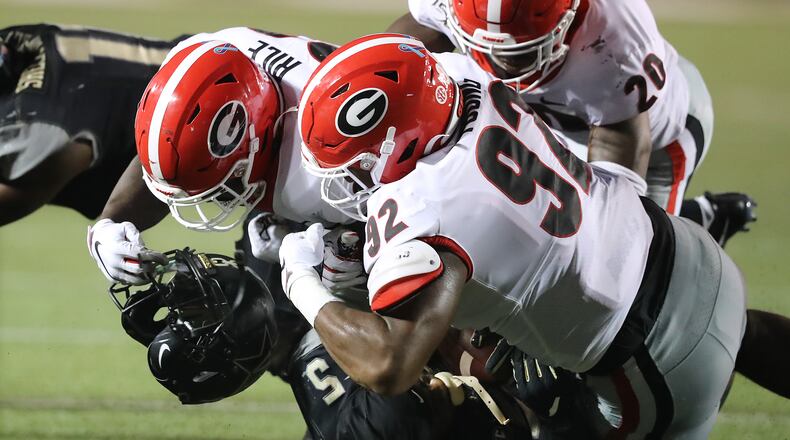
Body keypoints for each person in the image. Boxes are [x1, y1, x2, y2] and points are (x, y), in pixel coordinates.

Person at [281, 34, 747, 438]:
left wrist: (301, 281)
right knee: (751, 334)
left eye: (355, 166)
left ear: (396, 143)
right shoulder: (466, 77)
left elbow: (390, 364)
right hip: (685, 247)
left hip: (655, 356)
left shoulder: (421, 208)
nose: (350, 181)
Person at [387, 0, 756, 247]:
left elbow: (616, 191)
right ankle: (698, 216)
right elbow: (412, 40)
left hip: (655, 138)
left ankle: (693, 226)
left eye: (521, 51)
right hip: (552, 127)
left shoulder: (618, 42)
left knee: (633, 260)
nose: (499, 62)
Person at [111, 239, 543, 439]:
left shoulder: (265, 272)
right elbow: (403, 377)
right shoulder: (348, 418)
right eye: (198, 312)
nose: (203, 288)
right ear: (233, 344)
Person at [0, 24, 177, 226]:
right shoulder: (20, 43)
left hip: (203, 130)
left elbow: (30, 187)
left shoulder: (36, 121)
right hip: (200, 72)